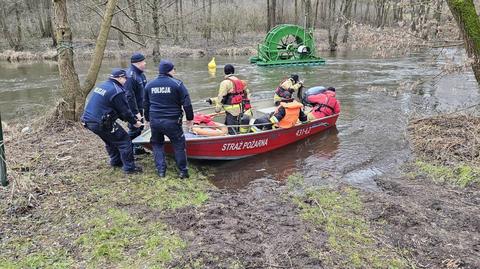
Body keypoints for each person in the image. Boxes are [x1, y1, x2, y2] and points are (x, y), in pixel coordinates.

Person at [81, 68, 143, 174]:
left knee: (110, 140)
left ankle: (116, 161)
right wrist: (134, 122)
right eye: (125, 78)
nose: (126, 80)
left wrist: (129, 118)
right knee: (124, 140)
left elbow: (114, 109)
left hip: (88, 120)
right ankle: (129, 168)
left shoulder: (103, 85)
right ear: (119, 78)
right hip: (101, 122)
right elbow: (124, 111)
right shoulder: (117, 91)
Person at [144, 60, 194, 179]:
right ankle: (183, 171)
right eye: (173, 69)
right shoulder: (177, 84)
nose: (174, 71)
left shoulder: (149, 85)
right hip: (172, 121)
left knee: (157, 144)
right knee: (178, 145)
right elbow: (187, 103)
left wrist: (147, 119)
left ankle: (161, 171)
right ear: (170, 71)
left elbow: (145, 104)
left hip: (155, 120)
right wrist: (190, 119)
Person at [206, 64, 252, 135]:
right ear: (233, 71)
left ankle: (234, 139)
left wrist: (217, 109)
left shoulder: (225, 83)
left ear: (224, 72)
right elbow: (234, 95)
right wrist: (212, 100)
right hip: (240, 108)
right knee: (235, 125)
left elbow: (222, 97)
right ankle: (237, 134)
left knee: (231, 129)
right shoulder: (239, 81)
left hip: (231, 110)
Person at [125, 52, 148, 155]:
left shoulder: (141, 74)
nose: (145, 63)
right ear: (138, 63)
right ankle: (128, 150)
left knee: (140, 127)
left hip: (141, 106)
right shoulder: (130, 76)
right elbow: (129, 96)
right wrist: (135, 112)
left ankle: (137, 148)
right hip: (134, 108)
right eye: (143, 61)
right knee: (134, 128)